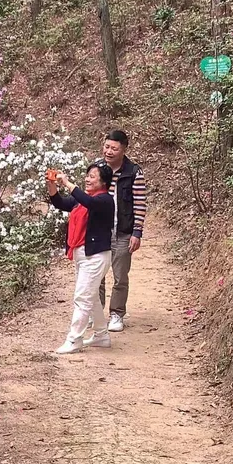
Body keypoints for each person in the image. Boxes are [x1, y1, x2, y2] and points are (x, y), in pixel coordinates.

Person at [47, 163, 115, 354]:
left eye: (92, 176)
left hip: (96, 256)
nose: (87, 179)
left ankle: (74, 339)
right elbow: (60, 203)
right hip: (82, 254)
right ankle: (101, 335)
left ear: (103, 182)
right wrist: (52, 184)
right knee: (90, 296)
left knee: (82, 297)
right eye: (87, 175)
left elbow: (89, 203)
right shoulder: (82, 200)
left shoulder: (105, 200)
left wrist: (68, 183)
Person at [98, 129, 148, 332]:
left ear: (124, 149)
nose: (109, 152)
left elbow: (140, 204)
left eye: (114, 148)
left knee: (120, 276)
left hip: (123, 231)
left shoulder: (133, 172)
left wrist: (137, 232)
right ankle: (96, 311)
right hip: (100, 231)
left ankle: (116, 314)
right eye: (107, 147)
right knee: (97, 274)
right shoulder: (98, 168)